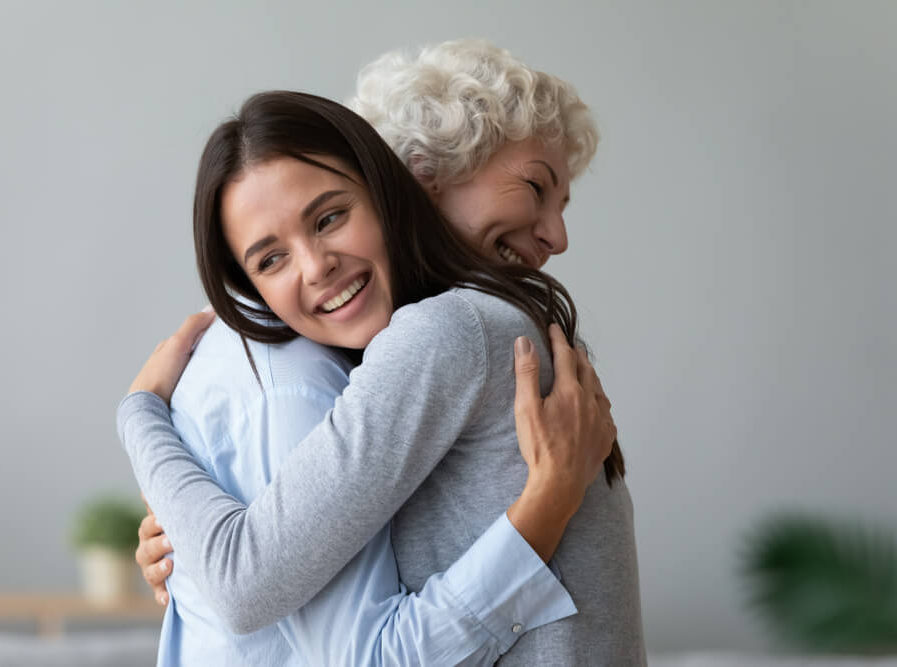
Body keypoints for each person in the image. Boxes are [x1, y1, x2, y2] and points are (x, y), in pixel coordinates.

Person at [122, 42, 644, 665]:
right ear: (423, 170)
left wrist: (139, 415)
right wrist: (184, 549)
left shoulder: (452, 330)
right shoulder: (480, 327)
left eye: (331, 217)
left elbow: (243, 581)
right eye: (536, 187)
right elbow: (252, 571)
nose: (557, 236)